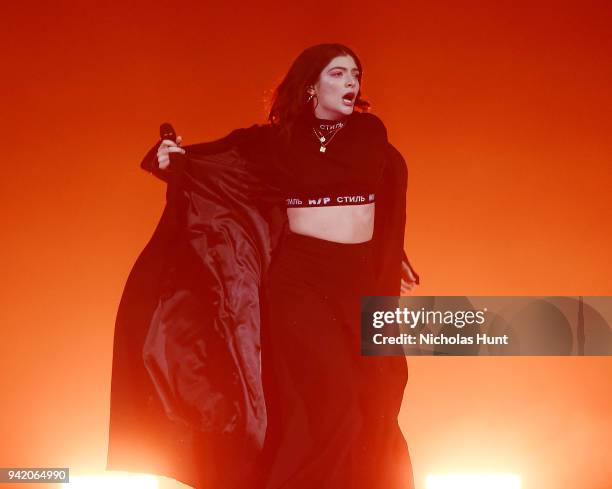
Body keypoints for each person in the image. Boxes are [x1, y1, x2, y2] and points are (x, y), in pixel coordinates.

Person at [106, 43, 419, 489]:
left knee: (374, 401)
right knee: (334, 402)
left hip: (359, 278)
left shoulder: (370, 131)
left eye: (356, 74)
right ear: (310, 85)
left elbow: (380, 195)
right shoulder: (273, 141)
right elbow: (213, 164)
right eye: (338, 74)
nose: (351, 82)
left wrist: (394, 252)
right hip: (301, 281)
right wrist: (171, 159)